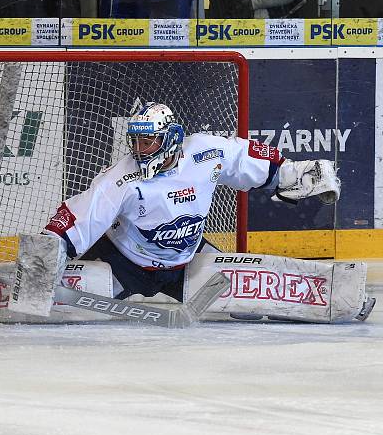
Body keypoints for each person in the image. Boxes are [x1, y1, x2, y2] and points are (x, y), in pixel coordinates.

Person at [40, 102, 357, 311]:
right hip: (124, 266)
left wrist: (297, 174)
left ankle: (339, 295)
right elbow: (76, 222)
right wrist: (44, 260)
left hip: (188, 262)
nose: (139, 150)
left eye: (147, 142)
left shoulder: (206, 152)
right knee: (59, 303)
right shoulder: (119, 180)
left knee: (254, 290)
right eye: (134, 142)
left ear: (170, 139)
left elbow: (256, 162)